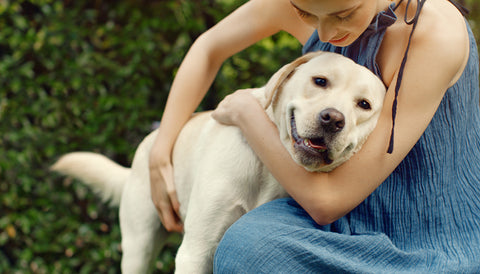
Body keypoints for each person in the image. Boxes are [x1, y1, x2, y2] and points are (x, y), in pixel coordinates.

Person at [149, 0, 480, 271]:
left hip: (424, 236)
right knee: (249, 242)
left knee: (250, 250)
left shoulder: (433, 34)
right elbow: (209, 47)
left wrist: (247, 113)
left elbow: (328, 201)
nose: (324, 32)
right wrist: (161, 150)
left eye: (343, 14)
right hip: (325, 209)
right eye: (305, 13)